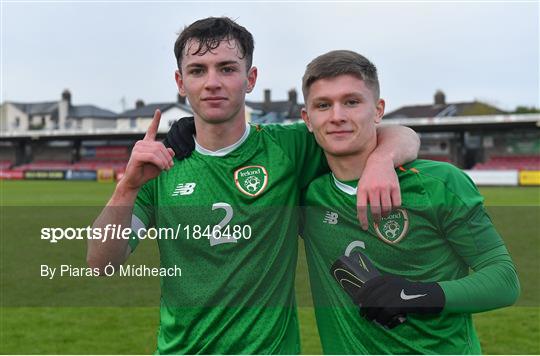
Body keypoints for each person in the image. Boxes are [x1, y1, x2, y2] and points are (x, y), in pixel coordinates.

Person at [87, 18, 419, 354]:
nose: (212, 82)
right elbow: (101, 264)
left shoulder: (289, 148)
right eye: (198, 70)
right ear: (180, 82)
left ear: (251, 79)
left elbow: (399, 133)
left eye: (227, 68)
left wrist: (381, 160)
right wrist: (125, 189)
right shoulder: (158, 166)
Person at [300, 50, 520, 354]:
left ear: (378, 111)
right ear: (307, 119)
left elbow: (504, 280)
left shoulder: (438, 183)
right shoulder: (307, 196)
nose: (337, 116)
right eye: (323, 105)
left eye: (352, 102)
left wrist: (416, 295)